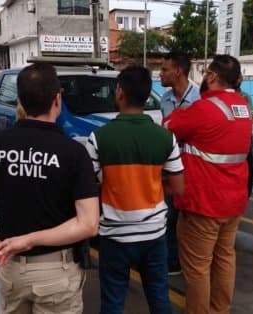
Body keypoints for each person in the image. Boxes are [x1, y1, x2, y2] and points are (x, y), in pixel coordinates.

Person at [0, 63, 100, 314]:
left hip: (10, 267)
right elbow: (89, 224)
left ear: (20, 100)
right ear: (57, 99)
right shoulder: (73, 152)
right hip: (55, 272)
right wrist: (28, 241)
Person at [86, 65, 185, 314]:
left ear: (119, 92)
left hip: (115, 237)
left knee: (113, 303)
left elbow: (90, 185)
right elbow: (178, 187)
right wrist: (150, 180)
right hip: (154, 235)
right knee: (160, 300)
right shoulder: (165, 137)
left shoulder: (98, 138)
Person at [165, 55, 252, 314]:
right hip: (233, 201)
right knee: (225, 258)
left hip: (204, 202)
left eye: (207, 73)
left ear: (212, 76)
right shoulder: (243, 107)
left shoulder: (203, 108)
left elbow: (167, 127)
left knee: (198, 267)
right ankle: (219, 310)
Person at [159, 51, 200, 275]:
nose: (160, 74)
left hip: (192, 168)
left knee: (190, 221)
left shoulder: (199, 98)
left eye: (165, 69)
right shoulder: (165, 99)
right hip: (168, 166)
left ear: (179, 71)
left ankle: (192, 263)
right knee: (169, 216)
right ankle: (173, 262)